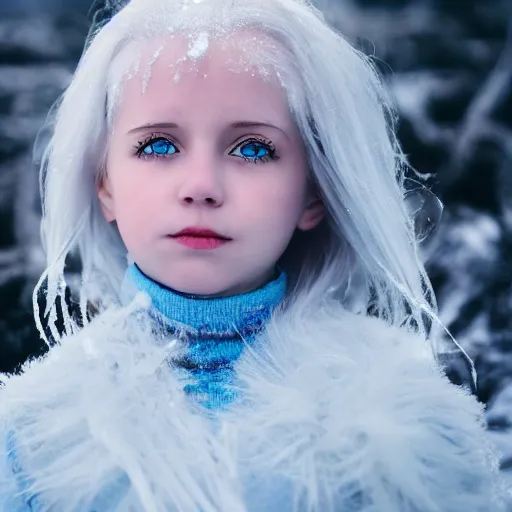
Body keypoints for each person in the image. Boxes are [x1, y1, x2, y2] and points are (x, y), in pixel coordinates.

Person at [0, 0, 509, 509]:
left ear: (313, 192)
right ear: (105, 182)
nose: (200, 187)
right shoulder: (31, 437)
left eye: (252, 149)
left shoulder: (406, 424)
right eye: (158, 146)